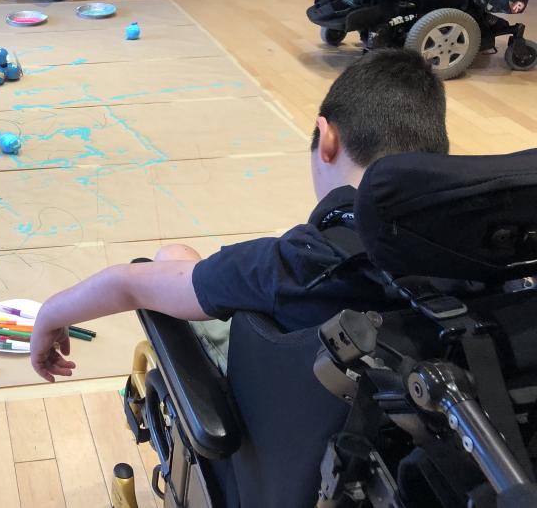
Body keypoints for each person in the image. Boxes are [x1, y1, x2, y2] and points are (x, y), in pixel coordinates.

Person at [29, 49, 450, 382]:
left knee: (172, 255)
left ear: (327, 139)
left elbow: (125, 284)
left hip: (287, 411)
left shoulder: (294, 263)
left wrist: (50, 314)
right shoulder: (475, 254)